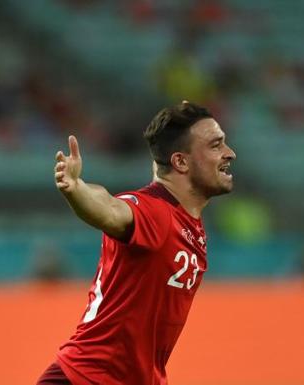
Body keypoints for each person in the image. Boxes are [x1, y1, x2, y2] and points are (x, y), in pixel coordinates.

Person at [37, 101, 236, 385]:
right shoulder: (155, 211)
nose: (230, 153)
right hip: (88, 379)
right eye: (216, 145)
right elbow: (111, 209)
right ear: (180, 161)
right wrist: (76, 189)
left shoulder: (188, 223)